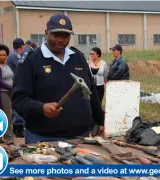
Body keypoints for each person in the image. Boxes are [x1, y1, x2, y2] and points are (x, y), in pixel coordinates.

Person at [12, 13, 105, 144]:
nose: (60, 40)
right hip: (44, 138)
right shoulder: (31, 60)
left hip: (80, 137)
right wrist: (41, 108)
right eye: (55, 35)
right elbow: (18, 99)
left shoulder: (78, 57)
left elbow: (91, 91)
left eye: (65, 35)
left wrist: (100, 120)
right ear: (46, 33)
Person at [0, 44, 14, 145]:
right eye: (1, 55)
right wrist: (11, 87)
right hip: (2, 93)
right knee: (7, 116)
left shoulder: (7, 66)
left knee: (3, 115)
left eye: (5, 55)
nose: (3, 57)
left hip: (9, 93)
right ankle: (9, 139)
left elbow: (11, 78)